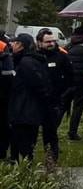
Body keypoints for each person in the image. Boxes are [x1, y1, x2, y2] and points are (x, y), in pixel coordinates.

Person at [5, 32, 52, 160]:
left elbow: (38, 85)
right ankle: (17, 164)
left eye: (15, 43)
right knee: (18, 143)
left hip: (25, 110)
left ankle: (25, 167)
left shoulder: (26, 63)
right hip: (23, 109)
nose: (12, 45)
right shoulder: (24, 60)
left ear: (21, 45)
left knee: (24, 146)